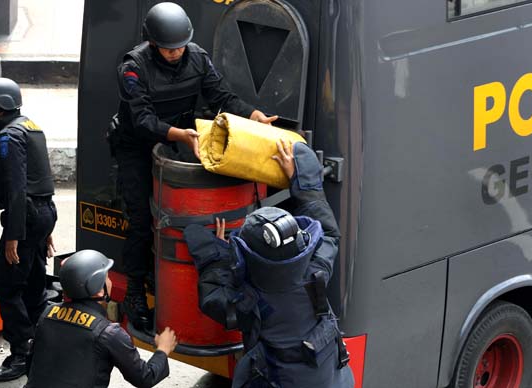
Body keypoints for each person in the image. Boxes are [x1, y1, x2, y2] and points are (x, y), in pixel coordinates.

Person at [111, 1, 278, 332]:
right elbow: (142, 119)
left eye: (179, 47)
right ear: (153, 43)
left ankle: (175, 283)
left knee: (180, 217)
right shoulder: (133, 68)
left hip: (181, 139)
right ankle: (135, 292)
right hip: (138, 146)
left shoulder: (198, 57)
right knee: (142, 220)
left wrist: (252, 113)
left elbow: (221, 96)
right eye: (167, 49)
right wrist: (180, 136)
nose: (175, 53)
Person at [183, 140, 355, 387]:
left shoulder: (250, 300)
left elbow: (212, 298)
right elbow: (329, 234)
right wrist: (303, 179)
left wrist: (217, 253)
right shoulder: (315, 271)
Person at [0, 77, 58, 382]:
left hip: (26, 218)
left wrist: (13, 236)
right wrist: (44, 228)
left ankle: (22, 352)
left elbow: (17, 191)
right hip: (44, 213)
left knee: (7, 286)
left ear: (1, 106)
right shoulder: (32, 127)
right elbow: (43, 179)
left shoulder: (9, 138)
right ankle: (40, 343)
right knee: (35, 282)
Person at [25, 250, 178, 388]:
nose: (110, 281)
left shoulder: (47, 313)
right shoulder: (108, 333)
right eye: (107, 277)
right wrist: (163, 349)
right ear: (98, 290)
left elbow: (31, 366)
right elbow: (145, 378)